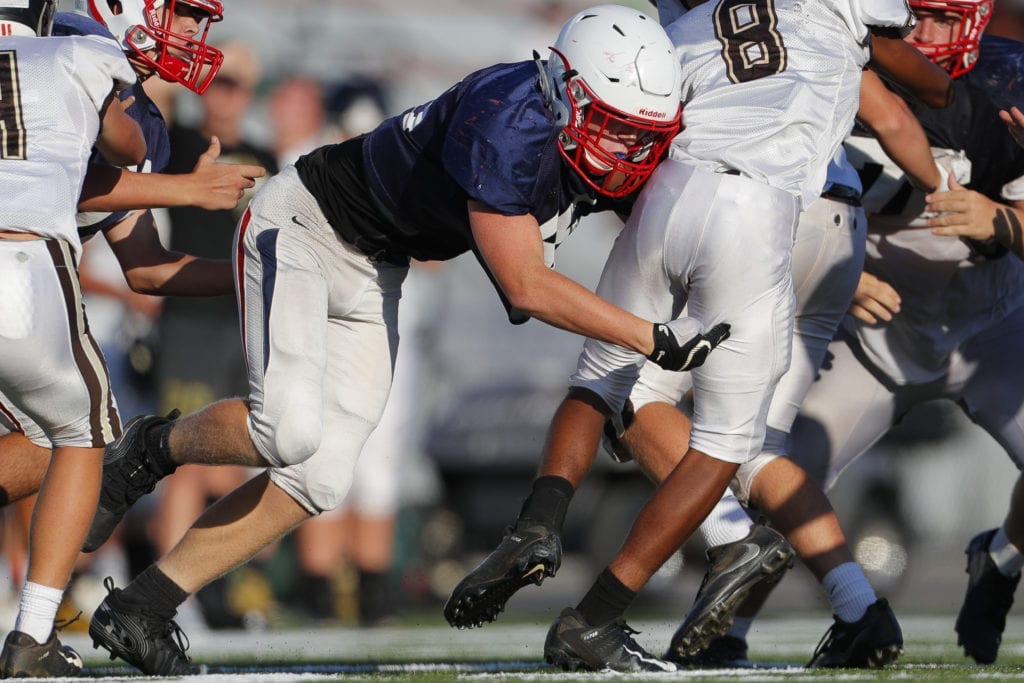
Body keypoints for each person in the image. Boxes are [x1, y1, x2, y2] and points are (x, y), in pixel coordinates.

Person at [79, 5, 729, 676]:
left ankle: (143, 605)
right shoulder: (507, 117)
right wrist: (652, 336)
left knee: (318, 481)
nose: (622, 151)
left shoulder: (573, 128)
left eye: (636, 135)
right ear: (566, 91)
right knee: (287, 432)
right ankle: (150, 449)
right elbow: (526, 286)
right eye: (610, 127)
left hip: (377, 264)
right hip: (306, 223)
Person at [444, 0, 954, 673]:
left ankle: (539, 521)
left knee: (604, 379)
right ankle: (616, 609)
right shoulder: (833, 14)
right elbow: (912, 92)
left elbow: (647, 128)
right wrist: (943, 193)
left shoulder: (685, 26)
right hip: (781, 215)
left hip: (674, 189)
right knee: (736, 445)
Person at [715, 0, 1024, 667]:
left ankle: (999, 561)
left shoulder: (1010, 83)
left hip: (994, 327)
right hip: (873, 339)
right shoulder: (829, 64)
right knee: (781, 480)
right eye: (914, 14)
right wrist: (837, 271)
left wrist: (1002, 221)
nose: (923, 34)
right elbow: (759, 201)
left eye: (944, 19)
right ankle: (722, 633)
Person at [0, 1, 146, 676]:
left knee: (32, 439)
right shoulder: (73, 53)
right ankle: (33, 634)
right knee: (84, 433)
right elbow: (130, 147)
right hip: (26, 259)